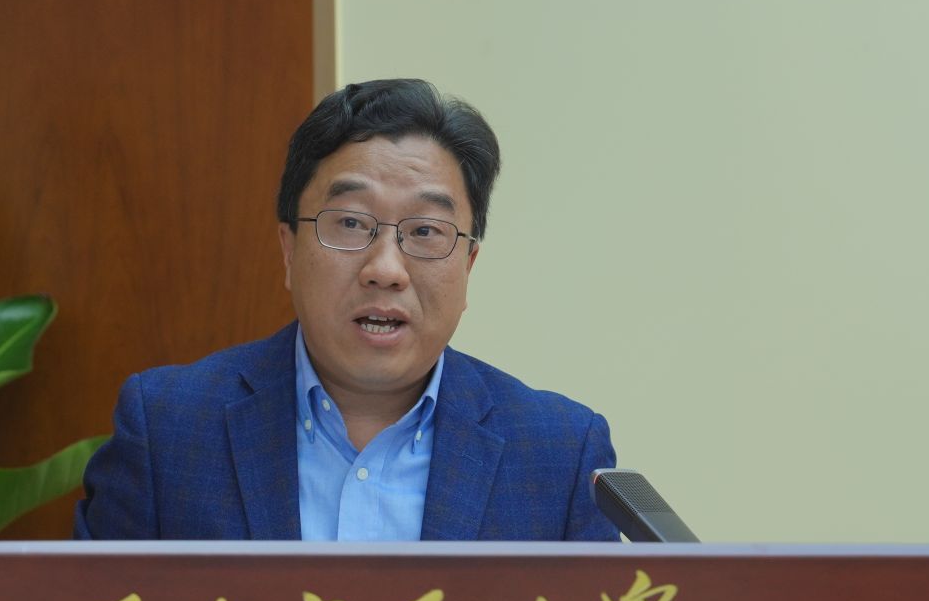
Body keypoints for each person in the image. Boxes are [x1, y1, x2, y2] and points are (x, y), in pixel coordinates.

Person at [74, 78, 620, 541]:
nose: (386, 269)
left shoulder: (559, 455)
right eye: (352, 223)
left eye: (425, 231)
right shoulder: (167, 431)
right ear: (289, 251)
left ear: (468, 264)